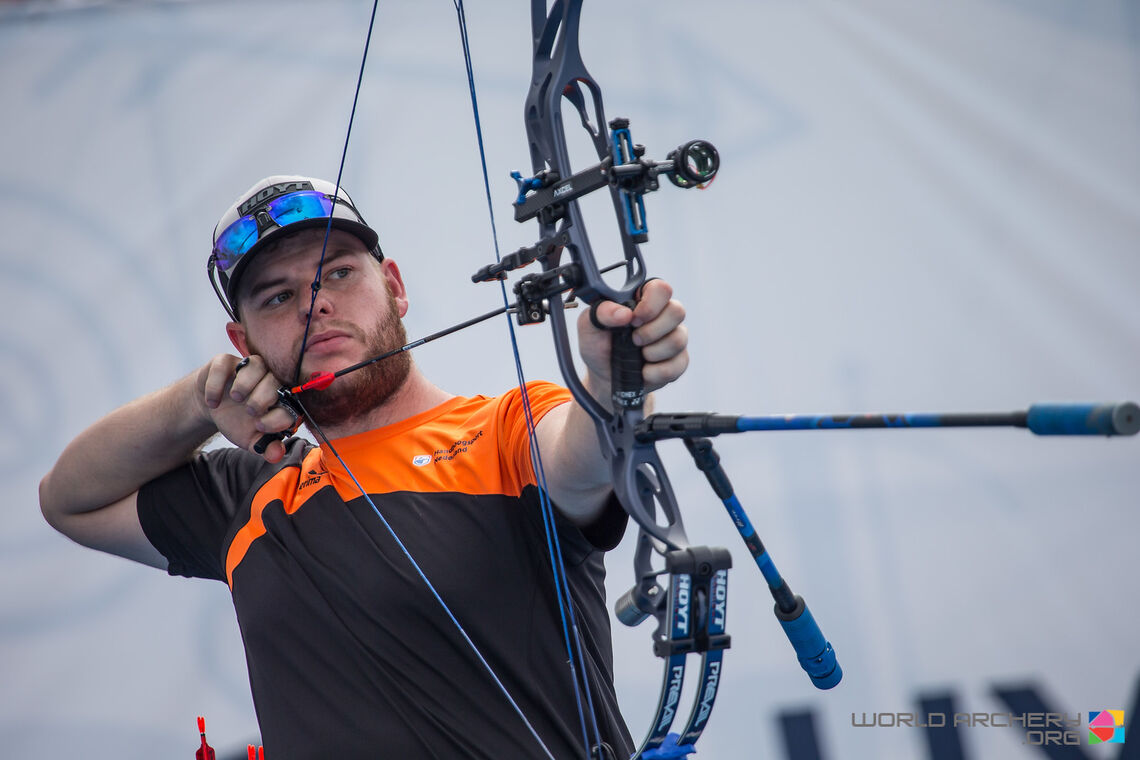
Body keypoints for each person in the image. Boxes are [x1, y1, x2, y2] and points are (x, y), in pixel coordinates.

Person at [39, 175, 690, 760]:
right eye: (276, 297)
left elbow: (586, 450)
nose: (314, 304)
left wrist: (614, 380)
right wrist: (197, 403)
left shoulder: (505, 430)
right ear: (243, 344)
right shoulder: (251, 494)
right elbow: (68, 500)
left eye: (340, 273)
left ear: (395, 288)